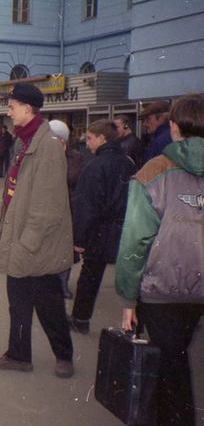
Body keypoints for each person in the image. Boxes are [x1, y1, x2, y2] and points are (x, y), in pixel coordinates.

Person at [117, 94, 204, 426]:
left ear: (174, 128)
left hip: (160, 289)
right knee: (176, 354)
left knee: (172, 364)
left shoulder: (152, 172)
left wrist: (128, 297)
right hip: (198, 289)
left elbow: (135, 242)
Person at [0, 83, 75, 378]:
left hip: (35, 245)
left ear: (28, 108)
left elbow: (49, 205)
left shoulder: (47, 145)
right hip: (20, 239)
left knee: (48, 303)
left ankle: (64, 356)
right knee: (19, 303)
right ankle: (19, 355)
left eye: (12, 107)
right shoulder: (26, 141)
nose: (8, 113)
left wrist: (27, 243)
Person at [68, 119, 136, 334]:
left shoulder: (95, 166)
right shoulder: (128, 162)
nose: (87, 143)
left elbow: (86, 205)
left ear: (102, 138)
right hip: (125, 229)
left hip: (100, 230)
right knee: (130, 280)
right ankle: (134, 325)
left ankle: (80, 319)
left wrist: (79, 239)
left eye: (90, 138)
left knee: (90, 277)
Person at [48, 120, 83, 299]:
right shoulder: (43, 156)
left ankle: (62, 285)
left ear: (63, 140)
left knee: (66, 250)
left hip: (70, 209)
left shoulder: (75, 157)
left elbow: (77, 180)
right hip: (49, 209)